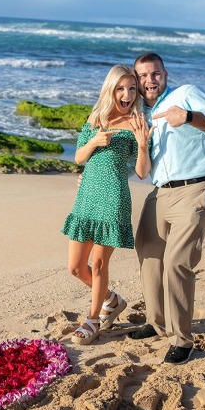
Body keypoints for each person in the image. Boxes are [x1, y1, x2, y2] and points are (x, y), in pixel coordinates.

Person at [126, 52, 205, 364]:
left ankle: (182, 340)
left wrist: (187, 116)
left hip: (197, 187)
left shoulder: (186, 94)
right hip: (161, 192)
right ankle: (156, 321)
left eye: (155, 73)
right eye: (143, 75)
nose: (150, 80)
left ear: (165, 74)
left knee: (177, 262)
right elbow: (137, 160)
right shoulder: (142, 112)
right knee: (148, 252)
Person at [62, 64, 153, 345]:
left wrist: (142, 144)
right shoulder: (96, 118)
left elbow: (142, 172)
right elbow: (79, 157)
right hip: (87, 197)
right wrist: (95, 142)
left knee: (99, 264)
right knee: (76, 268)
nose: (127, 95)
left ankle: (92, 319)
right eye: (121, 89)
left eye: (132, 89)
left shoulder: (136, 123)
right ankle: (111, 299)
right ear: (110, 90)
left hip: (114, 198)